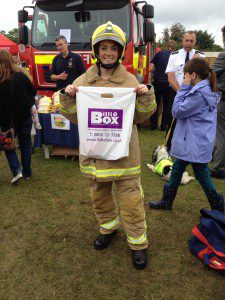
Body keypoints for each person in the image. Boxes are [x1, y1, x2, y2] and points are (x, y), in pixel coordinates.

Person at [58, 21, 156, 269]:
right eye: (103, 48)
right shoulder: (84, 81)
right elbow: (72, 114)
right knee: (100, 197)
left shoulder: (130, 81)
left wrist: (146, 94)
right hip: (95, 157)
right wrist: (67, 96)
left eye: (113, 48)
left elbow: (141, 116)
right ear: (96, 51)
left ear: (120, 52)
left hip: (125, 155)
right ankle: (108, 228)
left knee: (132, 202)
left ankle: (138, 245)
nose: (108, 52)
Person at [149, 58, 224, 213]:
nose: (183, 78)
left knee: (202, 175)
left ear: (193, 75)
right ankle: (167, 201)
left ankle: (218, 206)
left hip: (193, 143)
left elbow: (176, 111)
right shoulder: (204, 91)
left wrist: (183, 88)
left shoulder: (198, 94)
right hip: (193, 142)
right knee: (177, 169)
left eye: (185, 75)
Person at [0, 50, 36, 183]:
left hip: (5, 120)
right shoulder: (20, 76)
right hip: (23, 116)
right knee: (25, 144)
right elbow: (33, 91)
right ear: (11, 60)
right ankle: (27, 173)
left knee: (8, 146)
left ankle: (17, 171)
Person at [165, 31, 205, 151]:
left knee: (192, 121)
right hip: (177, 92)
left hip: (195, 94)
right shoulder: (174, 55)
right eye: (186, 40)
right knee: (174, 119)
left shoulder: (200, 56)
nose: (188, 43)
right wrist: (181, 93)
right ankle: (169, 145)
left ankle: (190, 145)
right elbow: (171, 77)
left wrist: (190, 92)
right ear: (182, 41)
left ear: (195, 42)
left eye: (191, 41)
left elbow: (203, 77)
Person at [149, 40, 177, 131]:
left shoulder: (159, 54)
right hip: (169, 83)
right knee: (167, 105)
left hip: (157, 82)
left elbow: (150, 68)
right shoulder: (175, 56)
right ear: (174, 48)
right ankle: (164, 126)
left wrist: (156, 73)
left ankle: (153, 126)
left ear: (167, 46)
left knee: (155, 104)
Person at [210, 26, 225, 179]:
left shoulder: (223, 55)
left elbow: (210, 74)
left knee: (221, 134)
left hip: (224, 100)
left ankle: (219, 167)